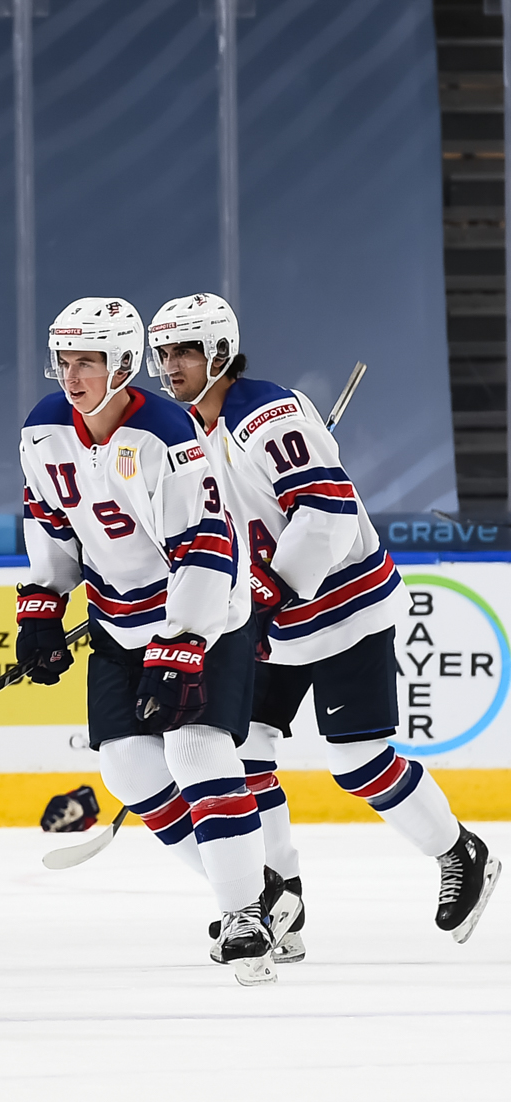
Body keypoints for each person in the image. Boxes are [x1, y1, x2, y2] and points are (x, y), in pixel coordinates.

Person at [147, 292, 499, 958]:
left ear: (220, 353)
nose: (171, 366)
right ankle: (283, 899)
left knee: (357, 760)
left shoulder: (268, 418)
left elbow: (329, 515)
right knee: (241, 746)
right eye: (164, 353)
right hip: (273, 620)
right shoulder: (188, 430)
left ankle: (461, 849)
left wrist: (266, 586)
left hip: (343, 610)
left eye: (185, 351)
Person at [17, 298, 286, 985]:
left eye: (87, 361)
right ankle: (260, 892)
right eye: (64, 360)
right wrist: (44, 606)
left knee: (197, 748)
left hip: (206, 612)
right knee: (130, 770)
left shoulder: (162, 433)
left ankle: (244, 915)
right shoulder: (45, 430)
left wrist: (181, 643)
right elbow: (51, 518)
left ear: (123, 363)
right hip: (117, 620)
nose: (71, 375)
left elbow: (204, 544)